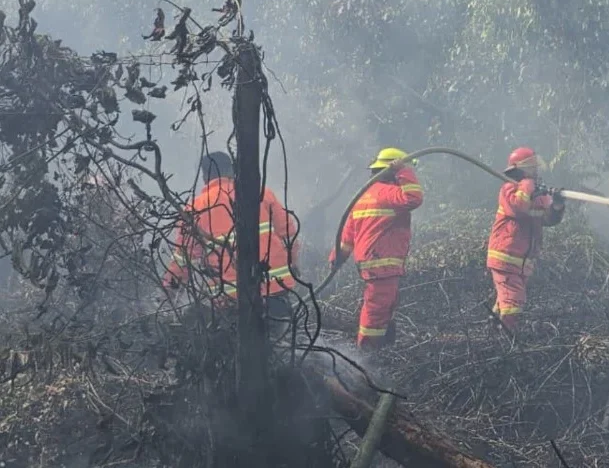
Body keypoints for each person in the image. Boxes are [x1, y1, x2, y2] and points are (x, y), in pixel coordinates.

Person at [162, 151, 300, 330]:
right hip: (275, 289)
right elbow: (289, 234)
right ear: (233, 170)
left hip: (229, 300)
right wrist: (293, 263)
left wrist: (168, 293)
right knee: (281, 345)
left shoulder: (195, 208)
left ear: (205, 176)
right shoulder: (261, 193)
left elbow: (184, 258)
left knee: (235, 350)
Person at [329, 148, 423, 350]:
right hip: (382, 264)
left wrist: (337, 259)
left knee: (384, 306)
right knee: (376, 310)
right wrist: (404, 171)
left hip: (373, 263)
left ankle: (382, 347)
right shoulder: (389, 193)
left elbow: (347, 238)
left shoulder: (364, 197)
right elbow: (414, 199)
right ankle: (367, 354)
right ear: (392, 171)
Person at [486, 147, 565, 331]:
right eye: (532, 168)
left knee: (506, 300)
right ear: (521, 170)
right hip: (505, 258)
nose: (536, 172)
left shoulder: (536, 195)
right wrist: (527, 185)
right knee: (514, 301)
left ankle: (494, 332)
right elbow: (520, 207)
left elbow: (547, 219)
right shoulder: (509, 189)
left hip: (521, 262)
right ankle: (508, 339)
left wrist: (557, 206)